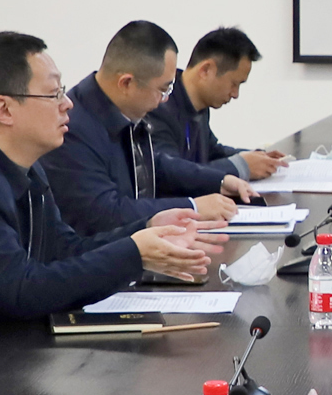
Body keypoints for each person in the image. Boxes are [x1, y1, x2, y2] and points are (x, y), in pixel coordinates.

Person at [0, 32, 217, 376]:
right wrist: (135, 254)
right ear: (3, 109)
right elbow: (20, 290)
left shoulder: (24, 167)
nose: (67, 103)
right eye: (53, 93)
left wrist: (145, 229)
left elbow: (64, 249)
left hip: (3, 357)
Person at [47, 20, 251, 238]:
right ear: (126, 83)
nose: (165, 100)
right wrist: (193, 207)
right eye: (163, 89)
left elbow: (155, 165)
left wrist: (218, 181)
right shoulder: (73, 128)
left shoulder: (122, 112)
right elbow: (105, 213)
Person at [159, 26, 284, 182]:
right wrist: (242, 166)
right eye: (234, 84)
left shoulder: (199, 105)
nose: (235, 94)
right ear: (206, 70)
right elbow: (172, 172)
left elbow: (212, 152)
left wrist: (256, 157)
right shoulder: (160, 105)